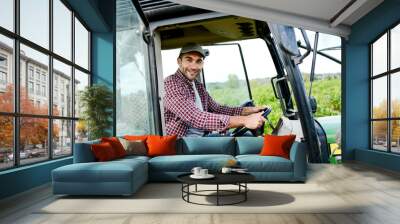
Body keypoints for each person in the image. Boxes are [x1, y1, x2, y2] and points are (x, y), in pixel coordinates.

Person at [164, 43, 267, 137]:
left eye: (198, 61)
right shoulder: (171, 84)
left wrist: (249, 110)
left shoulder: (198, 86)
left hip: (202, 138)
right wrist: (245, 120)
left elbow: (217, 109)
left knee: (247, 137)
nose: (194, 66)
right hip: (182, 146)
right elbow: (196, 117)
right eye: (189, 60)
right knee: (249, 141)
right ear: (179, 61)